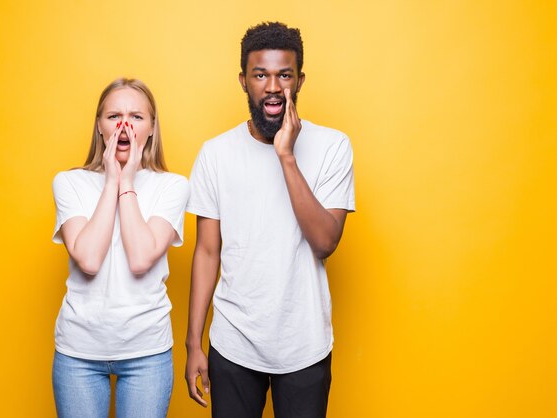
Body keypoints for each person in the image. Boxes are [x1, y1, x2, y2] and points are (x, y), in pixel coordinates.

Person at [185, 22, 356, 418]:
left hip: (304, 345)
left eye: (285, 75)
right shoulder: (216, 153)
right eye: (261, 74)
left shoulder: (333, 147)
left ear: (300, 80)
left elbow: (325, 241)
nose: (274, 87)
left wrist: (286, 156)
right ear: (244, 81)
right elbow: (207, 252)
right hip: (233, 344)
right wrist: (195, 343)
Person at [51, 78, 189, 418]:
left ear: (152, 128)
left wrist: (127, 181)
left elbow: (141, 258)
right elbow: (89, 259)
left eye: (137, 117)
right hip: (78, 353)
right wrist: (112, 179)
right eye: (114, 116)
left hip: (147, 352)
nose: (124, 125)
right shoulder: (69, 182)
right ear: (99, 126)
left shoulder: (172, 186)